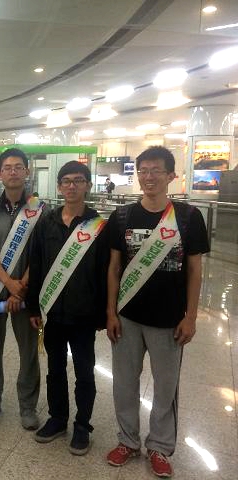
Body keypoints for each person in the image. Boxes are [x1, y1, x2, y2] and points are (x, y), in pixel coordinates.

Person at [105, 146, 209, 478]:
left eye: (156, 171)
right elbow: (114, 268)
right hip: (128, 317)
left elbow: (194, 270)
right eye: (143, 170)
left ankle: (160, 446)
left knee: (166, 386)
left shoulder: (188, 217)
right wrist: (111, 312)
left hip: (169, 320)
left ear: (171, 176)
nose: (148, 177)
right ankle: (127, 441)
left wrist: (190, 316)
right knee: (124, 383)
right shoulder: (122, 217)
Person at [27, 161, 109, 455]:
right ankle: (58, 418)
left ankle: (83, 425)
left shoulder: (99, 225)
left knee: (85, 372)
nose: (72, 186)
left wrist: (103, 312)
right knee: (55, 368)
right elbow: (36, 265)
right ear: (59, 186)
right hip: (52, 312)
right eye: (66, 181)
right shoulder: (46, 222)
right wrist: (34, 307)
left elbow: (105, 271)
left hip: (84, 313)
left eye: (78, 180)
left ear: (88, 185)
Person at [0, 147, 43, 429]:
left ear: (27, 171)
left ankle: (28, 406)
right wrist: (8, 283)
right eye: (7, 168)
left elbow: (42, 253)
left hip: (27, 293)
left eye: (18, 167)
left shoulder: (41, 211)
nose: (13, 172)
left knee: (28, 351)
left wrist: (21, 286)